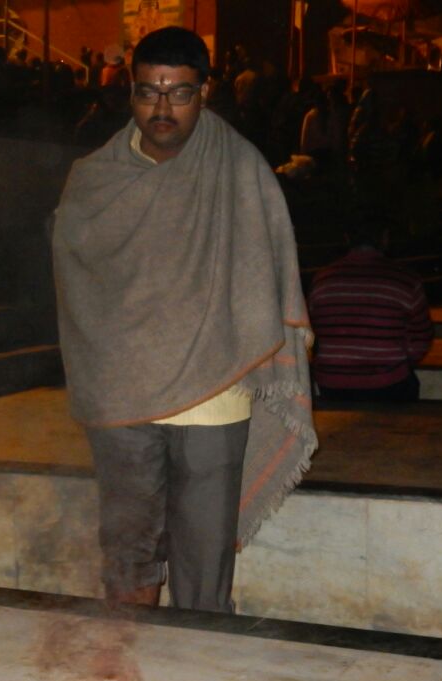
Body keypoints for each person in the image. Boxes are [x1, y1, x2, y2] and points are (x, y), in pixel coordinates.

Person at [52, 26, 317, 614]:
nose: (162, 108)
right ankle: (128, 669)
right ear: (130, 92)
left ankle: (202, 668)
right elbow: (77, 288)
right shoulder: (96, 179)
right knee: (127, 550)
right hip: (122, 396)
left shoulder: (240, 169)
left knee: (203, 555)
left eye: (179, 93)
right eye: (149, 92)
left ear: (205, 92)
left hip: (215, 390)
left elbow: (269, 272)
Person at [307, 220, 433, 402]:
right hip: (388, 382)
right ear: (385, 238)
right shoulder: (405, 280)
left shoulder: (322, 280)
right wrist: (401, 359)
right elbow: (422, 336)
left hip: (332, 382)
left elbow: (311, 331)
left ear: (347, 238)